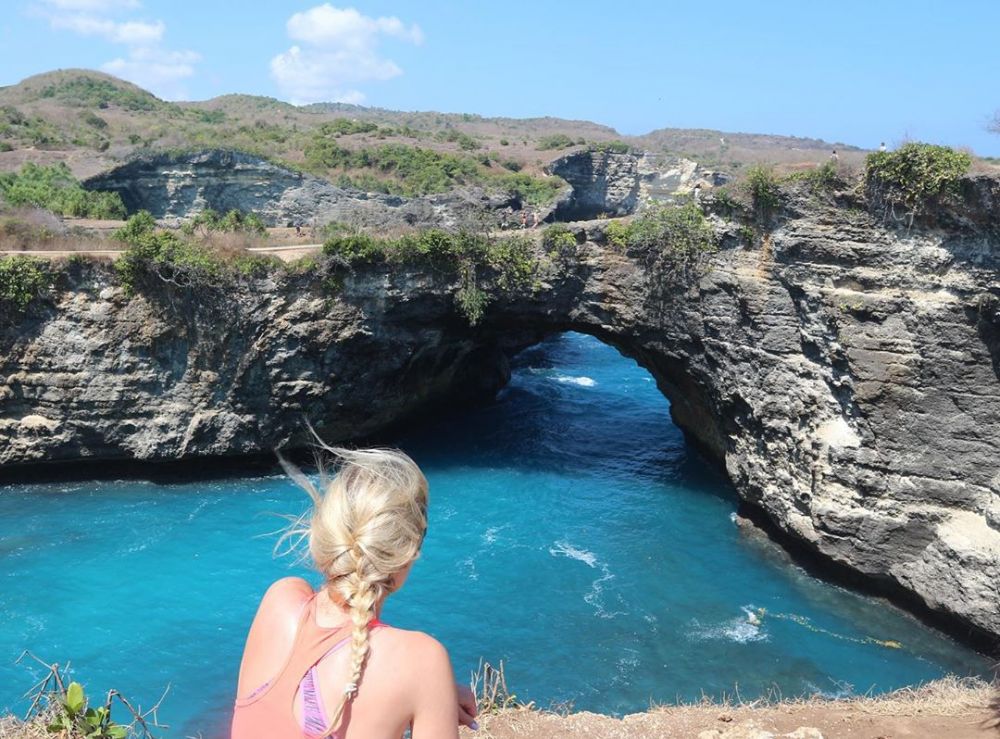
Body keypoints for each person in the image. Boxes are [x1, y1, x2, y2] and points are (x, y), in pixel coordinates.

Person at [232, 447, 478, 738]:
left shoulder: (280, 599)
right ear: (410, 552)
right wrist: (434, 689)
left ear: (325, 530)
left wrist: (438, 690)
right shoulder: (421, 662)